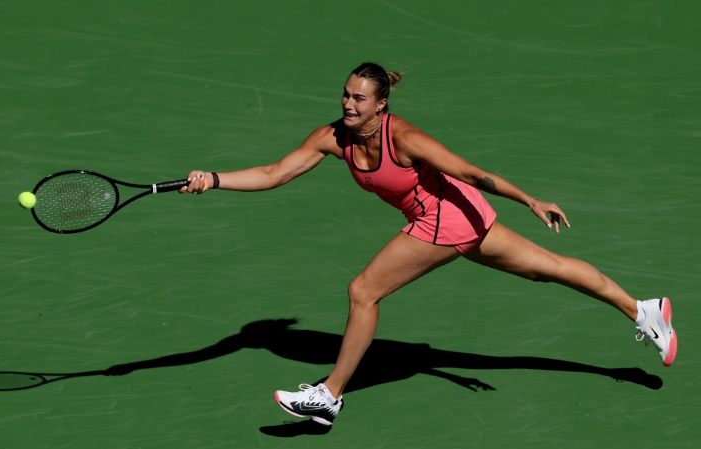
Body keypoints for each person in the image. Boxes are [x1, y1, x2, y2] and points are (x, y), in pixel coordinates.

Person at [179, 62, 677, 426]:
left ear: (381, 104)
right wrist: (214, 179)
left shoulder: (404, 137)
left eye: (359, 99)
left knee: (363, 292)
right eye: (346, 95)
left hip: (446, 217)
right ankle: (643, 309)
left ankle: (329, 395)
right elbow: (274, 173)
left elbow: (470, 172)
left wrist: (529, 199)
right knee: (546, 267)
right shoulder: (333, 137)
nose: (348, 104)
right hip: (456, 215)